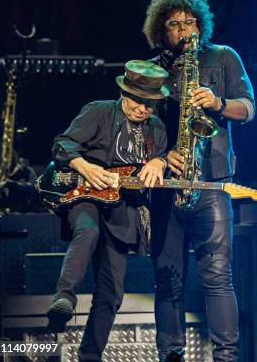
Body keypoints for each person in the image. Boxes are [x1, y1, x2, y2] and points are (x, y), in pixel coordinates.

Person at [142, 0, 255, 362]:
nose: (184, 29)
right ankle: (169, 355)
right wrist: (159, 156)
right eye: (174, 24)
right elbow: (137, 129)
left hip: (211, 182)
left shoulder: (223, 57)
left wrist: (218, 102)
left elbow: (249, 109)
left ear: (201, 25)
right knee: (168, 279)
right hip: (167, 184)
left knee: (218, 278)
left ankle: (226, 356)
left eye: (190, 22)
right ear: (161, 31)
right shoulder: (151, 70)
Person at [46, 60, 169, 361]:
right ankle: (64, 297)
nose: (143, 109)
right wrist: (83, 165)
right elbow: (62, 144)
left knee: (112, 291)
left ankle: (90, 355)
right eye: (138, 101)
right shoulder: (99, 111)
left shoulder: (156, 128)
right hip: (83, 195)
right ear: (124, 93)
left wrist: (159, 162)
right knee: (87, 229)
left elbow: (162, 158)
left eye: (150, 104)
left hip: (121, 209)